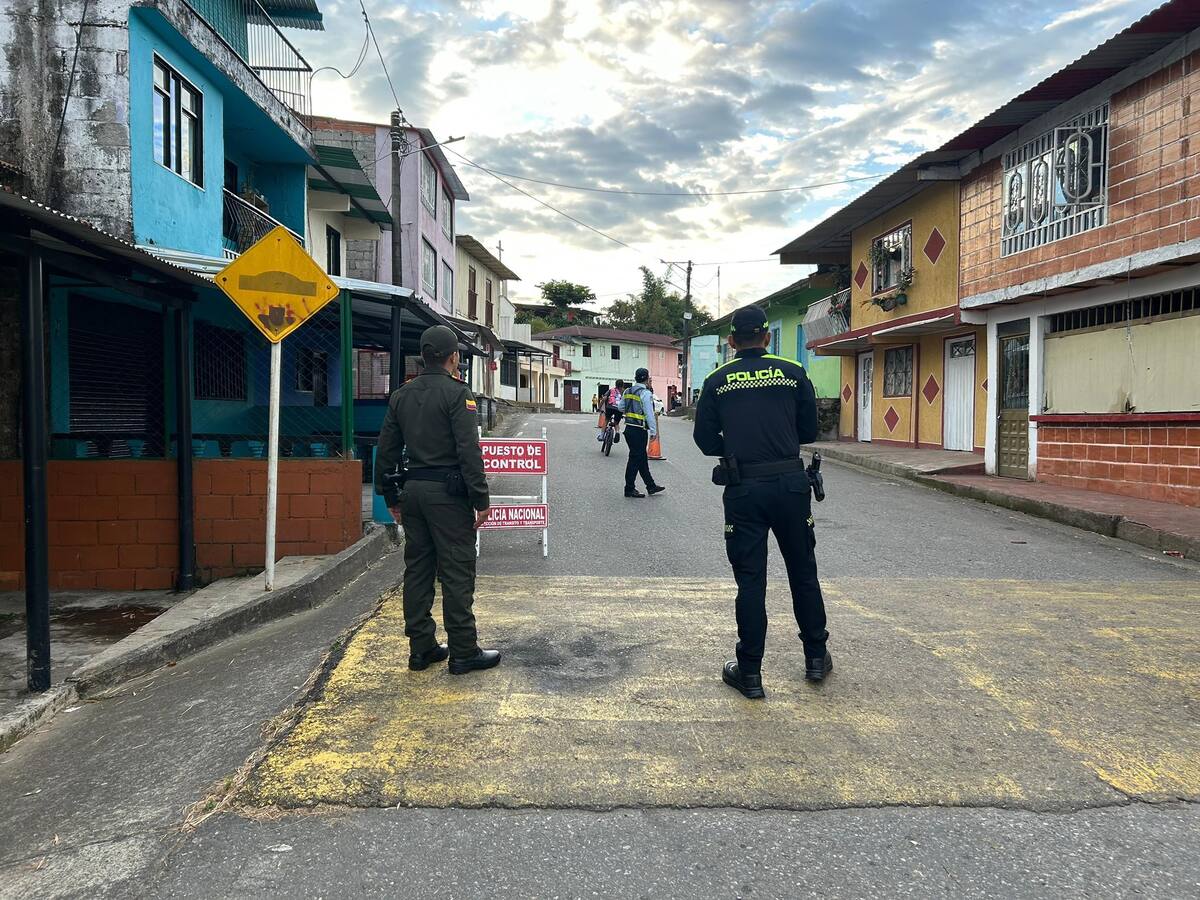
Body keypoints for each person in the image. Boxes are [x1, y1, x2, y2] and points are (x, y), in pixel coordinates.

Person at [692, 305, 829, 699]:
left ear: (732, 341)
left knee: (751, 580)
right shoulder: (792, 372)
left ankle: (749, 672)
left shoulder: (717, 380)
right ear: (767, 338)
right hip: (790, 485)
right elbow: (809, 429)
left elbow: (704, 441)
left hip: (744, 488)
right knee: (803, 573)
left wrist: (733, 449)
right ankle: (816, 658)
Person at [375, 325, 501, 676]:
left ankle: (422, 648)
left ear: (423, 356)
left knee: (418, 570)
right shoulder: (457, 394)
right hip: (447, 495)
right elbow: (468, 450)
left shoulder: (402, 395)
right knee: (457, 570)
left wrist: (389, 495)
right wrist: (481, 497)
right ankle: (463, 651)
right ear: (453, 357)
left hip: (412, 491)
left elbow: (385, 450)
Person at [618, 368, 665, 498]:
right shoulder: (645, 393)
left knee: (641, 458)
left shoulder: (628, 391)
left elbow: (620, 407)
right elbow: (649, 414)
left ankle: (651, 486)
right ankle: (629, 489)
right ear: (646, 378)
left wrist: (630, 409)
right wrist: (653, 432)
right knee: (634, 459)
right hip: (639, 430)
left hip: (629, 429)